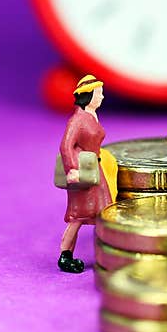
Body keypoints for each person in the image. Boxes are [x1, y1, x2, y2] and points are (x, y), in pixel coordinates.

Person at [56, 74, 115, 273]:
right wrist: (72, 169)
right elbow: (66, 146)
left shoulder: (91, 115)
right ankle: (65, 256)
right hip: (82, 174)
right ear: (88, 96)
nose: (103, 97)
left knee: (101, 212)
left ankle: (106, 254)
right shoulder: (77, 119)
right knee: (78, 216)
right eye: (99, 93)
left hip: (95, 170)